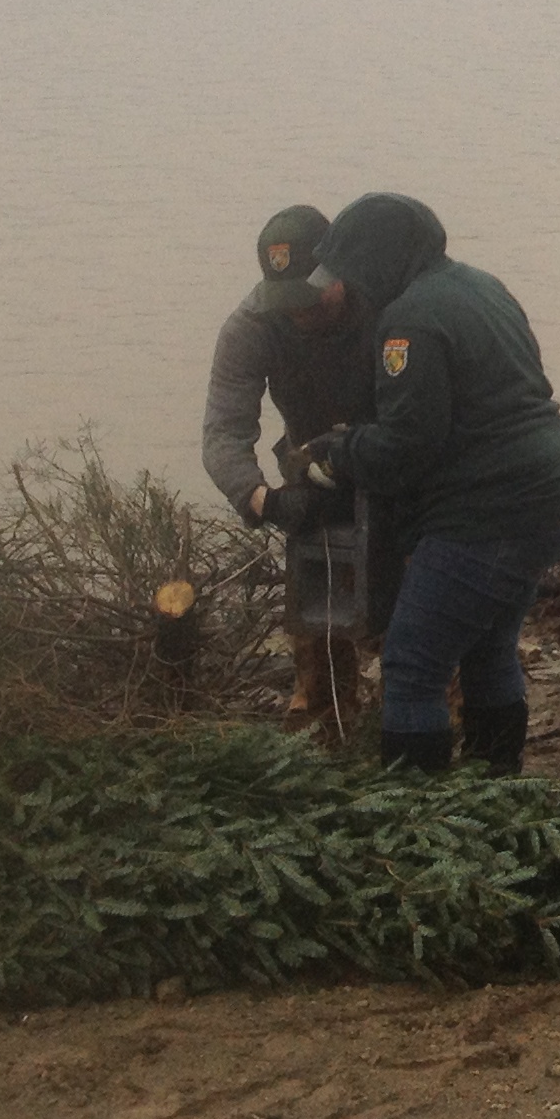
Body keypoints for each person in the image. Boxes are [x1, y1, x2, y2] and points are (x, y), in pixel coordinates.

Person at [298, 191, 560, 777]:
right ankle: (496, 793)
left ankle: (423, 828)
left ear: (377, 261)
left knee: (412, 664)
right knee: (486, 648)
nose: (350, 289)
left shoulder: (407, 321)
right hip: (555, 486)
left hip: (492, 512)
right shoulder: (482, 285)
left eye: (352, 273)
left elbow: (408, 445)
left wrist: (342, 450)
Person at [201, 202, 383, 738]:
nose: (299, 313)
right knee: (318, 608)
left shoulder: (388, 303)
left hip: (396, 456)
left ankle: (435, 733)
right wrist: (265, 501)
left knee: (419, 607)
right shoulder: (251, 326)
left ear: (338, 273)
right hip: (310, 464)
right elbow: (223, 433)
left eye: (310, 297)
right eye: (287, 302)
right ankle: (325, 724)